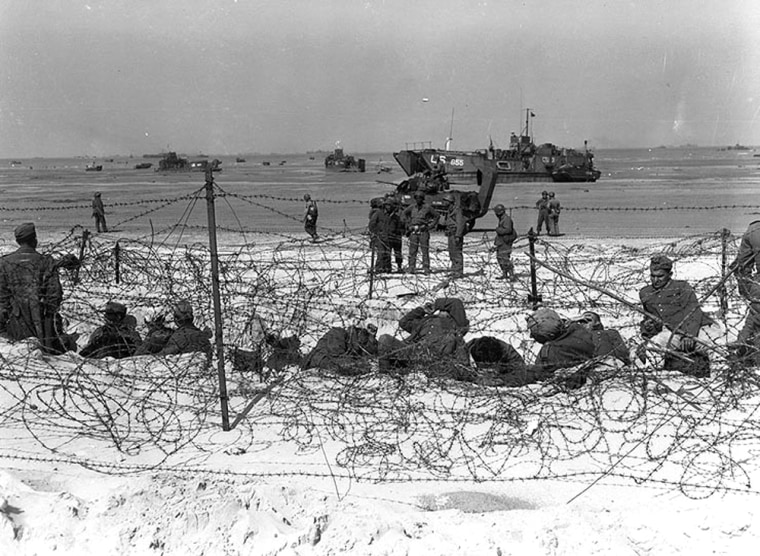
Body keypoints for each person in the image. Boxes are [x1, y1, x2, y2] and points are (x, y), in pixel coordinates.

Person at [636, 254, 722, 377]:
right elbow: (651, 318)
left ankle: (721, 377)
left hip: (698, 328)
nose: (655, 280)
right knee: (654, 346)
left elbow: (693, 312)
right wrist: (648, 327)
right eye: (652, 276)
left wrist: (688, 335)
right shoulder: (646, 293)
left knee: (716, 346)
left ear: (669, 275)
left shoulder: (682, 287)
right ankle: (654, 379)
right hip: (671, 332)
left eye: (660, 276)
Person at [0, 223, 69, 353]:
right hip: (44, 320)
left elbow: (2, 298)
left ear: (17, 241)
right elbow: (55, 295)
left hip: (16, 320)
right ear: (34, 240)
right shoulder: (46, 261)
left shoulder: (4, 263)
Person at [499, 308, 595, 388]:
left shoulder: (552, 352)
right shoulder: (577, 328)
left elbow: (539, 374)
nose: (531, 337)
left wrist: (504, 379)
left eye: (534, 332)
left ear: (547, 334)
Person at [377, 297, 470, 375]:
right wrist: (422, 310)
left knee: (449, 340)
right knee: (385, 339)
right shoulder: (424, 321)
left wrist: (436, 305)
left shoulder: (455, 324)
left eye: (446, 310)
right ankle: (385, 375)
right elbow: (403, 322)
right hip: (414, 352)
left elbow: (456, 303)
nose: (442, 311)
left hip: (435, 357)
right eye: (441, 310)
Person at [728, 220, 760, 361]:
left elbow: (741, 265)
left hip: (758, 284)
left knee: (755, 312)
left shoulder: (754, 229)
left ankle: (743, 344)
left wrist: (749, 288)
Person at [302, 323, 378, 375]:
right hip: (319, 360)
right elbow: (337, 360)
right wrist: (362, 365)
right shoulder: (338, 334)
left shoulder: (349, 347)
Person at [402, 191, 438, 274]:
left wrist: (429, 226)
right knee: (412, 250)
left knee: (424, 250)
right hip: (413, 231)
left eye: (420, 198)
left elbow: (437, 216)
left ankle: (426, 267)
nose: (418, 200)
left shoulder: (427, 208)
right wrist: (408, 224)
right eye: (417, 198)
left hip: (423, 230)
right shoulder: (412, 207)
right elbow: (404, 213)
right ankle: (411, 266)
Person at [443, 194, 466, 278]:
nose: (444, 202)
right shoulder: (450, 210)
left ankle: (459, 271)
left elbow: (460, 223)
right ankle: (454, 270)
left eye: (445, 201)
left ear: (449, 201)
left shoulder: (457, 210)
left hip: (455, 234)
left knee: (457, 253)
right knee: (452, 253)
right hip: (450, 234)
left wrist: (458, 235)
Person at [493, 204, 517, 281]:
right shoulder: (502, 218)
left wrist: (498, 230)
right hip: (501, 241)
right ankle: (504, 273)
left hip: (505, 241)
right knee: (500, 258)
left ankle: (511, 274)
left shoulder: (506, 219)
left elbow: (508, 230)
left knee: (505, 258)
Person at [368, 199, 393, 273]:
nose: (389, 207)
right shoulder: (378, 213)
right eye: (388, 205)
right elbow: (372, 224)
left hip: (388, 236)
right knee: (381, 253)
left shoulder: (390, 215)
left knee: (387, 253)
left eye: (390, 206)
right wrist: (375, 233)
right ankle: (379, 268)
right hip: (379, 236)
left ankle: (387, 269)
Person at [387, 198, 405, 273]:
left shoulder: (398, 215)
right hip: (388, 236)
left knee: (397, 252)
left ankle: (399, 266)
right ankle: (388, 267)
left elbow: (403, 224)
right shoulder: (385, 215)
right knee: (387, 253)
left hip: (396, 236)